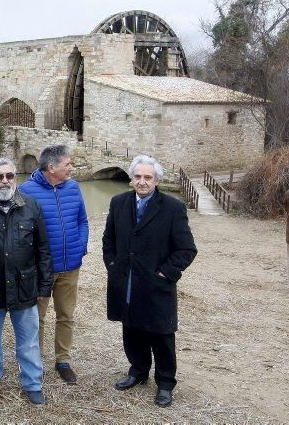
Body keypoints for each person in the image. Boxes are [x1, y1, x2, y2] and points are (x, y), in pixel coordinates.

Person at [103, 155, 197, 408]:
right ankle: (138, 371)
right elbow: (108, 240)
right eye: (137, 177)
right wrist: (113, 266)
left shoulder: (173, 208)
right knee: (132, 328)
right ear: (131, 179)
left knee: (161, 334)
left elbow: (186, 250)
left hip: (156, 283)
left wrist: (166, 273)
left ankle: (165, 383)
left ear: (156, 180)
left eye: (148, 177)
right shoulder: (118, 202)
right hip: (126, 280)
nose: (142, 182)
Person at [0, 158, 52, 405]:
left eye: (9, 175)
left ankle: (31, 382)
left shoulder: (31, 206)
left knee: (29, 340)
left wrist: (45, 285)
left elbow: (43, 249)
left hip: (25, 286)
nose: (5, 181)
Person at [18, 144, 88, 384]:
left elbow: (82, 220)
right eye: (67, 164)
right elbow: (20, 233)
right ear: (51, 167)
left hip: (70, 267)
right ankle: (34, 361)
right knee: (37, 318)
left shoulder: (73, 187)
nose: (71, 168)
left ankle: (63, 360)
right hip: (41, 271)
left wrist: (81, 246)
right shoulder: (25, 191)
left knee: (66, 315)